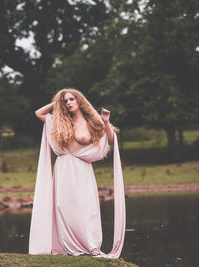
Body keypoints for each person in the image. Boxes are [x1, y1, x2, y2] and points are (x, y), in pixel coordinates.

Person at [28, 88, 126, 258]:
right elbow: (38, 113)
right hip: (64, 168)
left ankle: (91, 246)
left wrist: (106, 121)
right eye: (65, 101)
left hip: (82, 170)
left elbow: (110, 139)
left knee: (86, 209)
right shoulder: (60, 122)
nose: (68, 103)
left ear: (79, 101)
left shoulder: (92, 122)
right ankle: (66, 247)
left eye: (71, 99)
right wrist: (57, 102)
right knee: (63, 208)